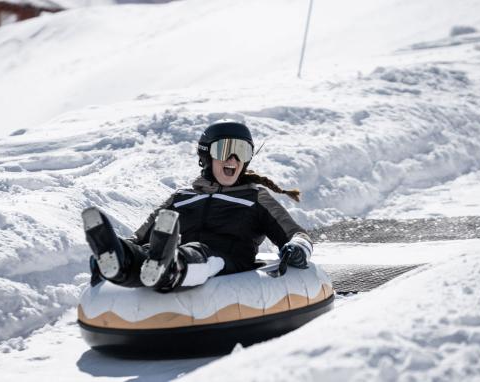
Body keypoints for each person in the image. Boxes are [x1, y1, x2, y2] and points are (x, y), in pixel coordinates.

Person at [82, 119, 314, 292]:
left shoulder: (255, 198)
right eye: (224, 150)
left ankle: (172, 268)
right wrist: (125, 248)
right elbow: (142, 235)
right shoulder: (181, 197)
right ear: (206, 156)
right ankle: (118, 263)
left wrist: (299, 247)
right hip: (167, 253)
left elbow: (294, 234)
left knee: (200, 254)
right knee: (142, 252)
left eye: (241, 151)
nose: (233, 159)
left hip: (223, 262)